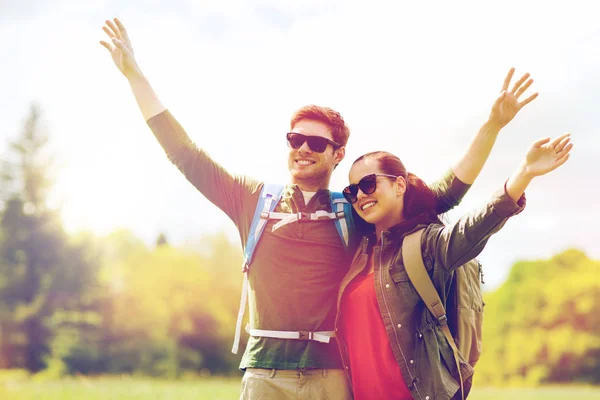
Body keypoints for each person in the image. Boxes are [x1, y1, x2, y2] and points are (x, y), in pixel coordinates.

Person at [99, 17, 539, 400]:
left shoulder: (354, 210)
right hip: (264, 375)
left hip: (333, 377)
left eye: (316, 142)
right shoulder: (253, 200)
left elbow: (444, 193)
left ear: (337, 154)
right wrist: (136, 77)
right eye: (295, 139)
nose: (303, 148)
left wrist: (492, 126)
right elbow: (185, 155)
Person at [335, 134, 573, 400]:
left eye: (367, 184)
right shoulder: (358, 253)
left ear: (399, 185)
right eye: (351, 190)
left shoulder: (425, 244)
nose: (358, 195)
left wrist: (524, 174)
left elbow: (471, 229)